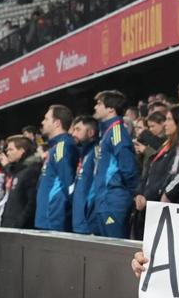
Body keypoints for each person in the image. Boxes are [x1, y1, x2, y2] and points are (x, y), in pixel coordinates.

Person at [88, 90, 138, 237]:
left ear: (111, 108)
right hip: (104, 202)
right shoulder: (107, 134)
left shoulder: (116, 131)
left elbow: (128, 167)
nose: (95, 107)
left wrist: (133, 193)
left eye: (99, 104)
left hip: (113, 202)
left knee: (115, 253)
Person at [34, 104, 78, 231]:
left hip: (54, 217)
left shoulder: (61, 146)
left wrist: (62, 210)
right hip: (48, 216)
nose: (42, 122)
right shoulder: (56, 147)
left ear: (57, 123)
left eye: (46, 119)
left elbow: (67, 182)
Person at [0, 136, 41, 229]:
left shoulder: (31, 172)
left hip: (19, 230)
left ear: (21, 151)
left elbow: (32, 203)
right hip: (9, 225)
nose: (7, 152)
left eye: (11, 149)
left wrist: (19, 224)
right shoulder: (17, 171)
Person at [70, 116, 98, 234]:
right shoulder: (84, 153)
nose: (73, 133)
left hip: (88, 220)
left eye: (78, 129)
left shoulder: (97, 152)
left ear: (90, 132)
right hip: (78, 218)